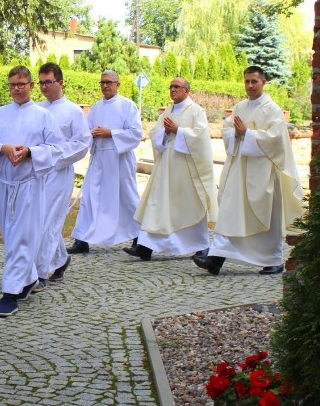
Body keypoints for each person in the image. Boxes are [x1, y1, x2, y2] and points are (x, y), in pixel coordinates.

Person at [194, 66, 303, 276]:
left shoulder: (272, 110)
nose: (250, 86)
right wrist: (235, 134)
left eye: (254, 81)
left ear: (263, 82)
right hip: (239, 170)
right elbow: (227, 130)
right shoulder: (240, 107)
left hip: (263, 173)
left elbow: (277, 140)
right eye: (247, 82)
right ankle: (216, 258)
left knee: (265, 215)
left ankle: (272, 259)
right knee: (231, 212)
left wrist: (248, 134)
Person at [0, 66, 62, 317]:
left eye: (21, 84)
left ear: (30, 86)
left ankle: (10, 293)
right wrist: (4, 149)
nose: (16, 89)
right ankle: (28, 279)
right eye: (12, 85)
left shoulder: (42, 116)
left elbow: (56, 148)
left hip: (28, 184)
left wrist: (30, 152)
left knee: (22, 237)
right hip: (3, 183)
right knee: (11, 236)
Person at [130, 78, 217, 260]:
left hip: (187, 167)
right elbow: (155, 132)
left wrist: (179, 130)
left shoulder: (196, 111)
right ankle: (145, 246)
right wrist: (165, 133)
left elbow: (201, 138)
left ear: (186, 91)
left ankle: (201, 245)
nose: (172, 89)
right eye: (170, 86)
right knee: (159, 202)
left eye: (177, 87)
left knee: (190, 204)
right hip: (167, 163)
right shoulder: (168, 111)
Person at [67, 70, 143, 254]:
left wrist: (111, 133)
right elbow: (86, 131)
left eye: (109, 82)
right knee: (90, 197)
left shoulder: (127, 106)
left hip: (119, 159)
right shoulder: (96, 107)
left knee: (127, 198)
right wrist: (90, 134)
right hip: (100, 158)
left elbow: (136, 133)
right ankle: (81, 239)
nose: (105, 85)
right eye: (102, 82)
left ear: (118, 85)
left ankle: (140, 239)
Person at [35, 63, 91, 286]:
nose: (44, 87)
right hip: (37, 172)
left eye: (48, 82)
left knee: (49, 221)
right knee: (38, 219)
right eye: (40, 82)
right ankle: (60, 259)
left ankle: (40, 272)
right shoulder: (36, 109)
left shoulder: (72, 111)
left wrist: (55, 157)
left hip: (58, 172)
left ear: (60, 82)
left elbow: (82, 143)